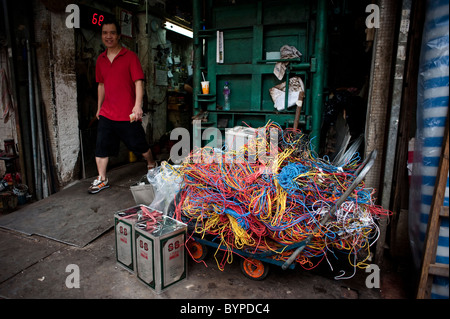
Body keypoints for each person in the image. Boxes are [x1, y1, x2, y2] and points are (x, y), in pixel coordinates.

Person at [89, 18, 157, 194]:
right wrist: (98, 108)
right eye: (105, 33)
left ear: (119, 35)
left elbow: (138, 82)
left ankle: (151, 164)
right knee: (101, 146)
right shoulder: (101, 60)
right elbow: (101, 85)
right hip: (107, 112)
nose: (108, 36)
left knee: (139, 145)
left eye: (112, 33)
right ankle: (102, 179)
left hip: (128, 113)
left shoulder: (130, 57)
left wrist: (137, 106)